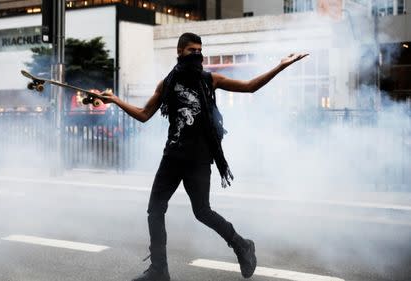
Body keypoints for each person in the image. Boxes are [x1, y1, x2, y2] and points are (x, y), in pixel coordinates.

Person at [100, 33, 308, 281]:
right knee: (155, 210)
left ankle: (241, 245)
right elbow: (145, 114)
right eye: (191, 50)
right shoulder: (167, 84)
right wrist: (114, 100)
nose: (197, 55)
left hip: (198, 159)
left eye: (200, 50)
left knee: (202, 211)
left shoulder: (211, 80)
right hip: (172, 156)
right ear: (179, 52)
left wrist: (280, 66)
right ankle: (159, 270)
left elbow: (250, 86)